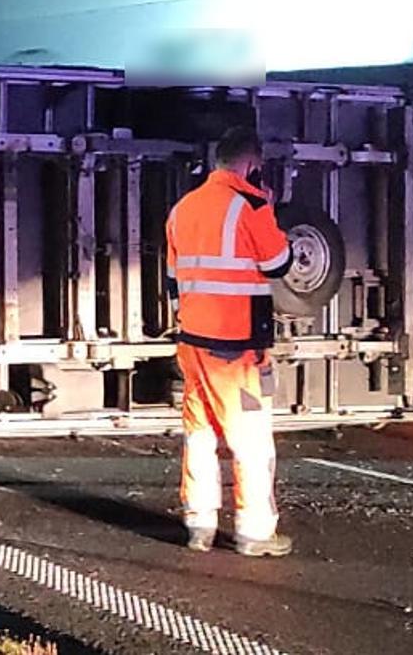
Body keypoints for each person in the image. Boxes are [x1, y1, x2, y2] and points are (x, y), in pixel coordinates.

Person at [164, 127, 295, 557]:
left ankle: (199, 525)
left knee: (200, 433)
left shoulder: (183, 208)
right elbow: (279, 263)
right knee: (251, 438)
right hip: (235, 349)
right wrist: (269, 209)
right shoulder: (251, 205)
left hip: (192, 343)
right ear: (252, 165)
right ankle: (254, 532)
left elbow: (173, 280)